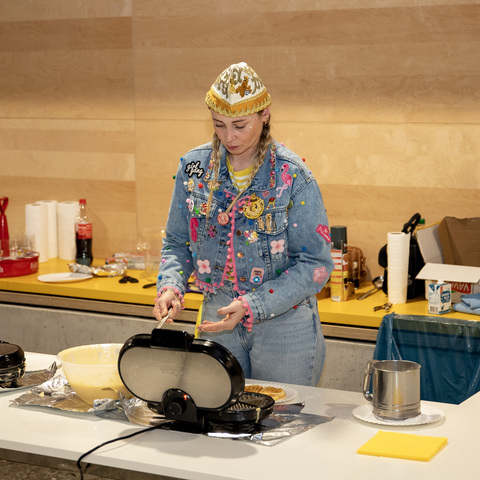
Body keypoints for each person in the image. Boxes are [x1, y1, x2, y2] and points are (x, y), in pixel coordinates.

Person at [153, 62, 334, 386]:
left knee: (282, 413)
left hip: (284, 325)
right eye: (219, 125)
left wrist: (254, 304)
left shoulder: (292, 175)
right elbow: (177, 243)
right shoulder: (194, 168)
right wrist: (170, 287)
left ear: (264, 114)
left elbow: (315, 264)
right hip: (218, 315)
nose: (229, 136)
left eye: (239, 125)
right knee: (217, 409)